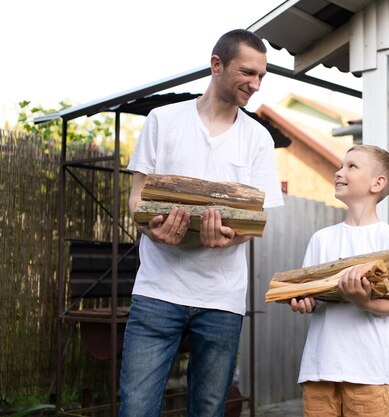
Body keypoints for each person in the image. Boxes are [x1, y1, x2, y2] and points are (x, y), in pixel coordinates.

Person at [120, 29, 284, 417]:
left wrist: (227, 238)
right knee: (136, 407)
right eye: (247, 72)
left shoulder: (258, 139)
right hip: (158, 292)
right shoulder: (163, 120)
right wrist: (151, 228)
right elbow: (137, 197)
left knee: (208, 411)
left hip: (221, 300)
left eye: (261, 76)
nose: (255, 84)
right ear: (216, 65)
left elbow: (256, 221)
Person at [290, 144, 389, 417]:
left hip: (366, 371)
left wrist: (361, 299)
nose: (339, 172)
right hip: (319, 368)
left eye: (351, 166)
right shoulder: (321, 239)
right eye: (341, 165)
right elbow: (312, 298)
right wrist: (303, 302)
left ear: (377, 183)